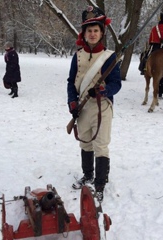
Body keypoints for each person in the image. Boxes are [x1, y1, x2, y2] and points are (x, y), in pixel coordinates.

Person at [67, 6, 122, 203]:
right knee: (85, 142)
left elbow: (116, 84)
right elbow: (71, 81)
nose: (92, 34)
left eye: (95, 30)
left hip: (102, 107)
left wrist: (103, 91)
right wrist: (72, 102)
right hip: (82, 107)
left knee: (101, 145)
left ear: (101, 33)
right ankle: (88, 175)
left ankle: (99, 184)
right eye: (88, 30)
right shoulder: (78, 55)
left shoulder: (109, 56)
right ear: (84, 33)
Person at [139, 13, 163, 96]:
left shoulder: (154, 28)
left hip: (155, 47)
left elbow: (150, 40)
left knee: (145, 57)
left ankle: (143, 69)